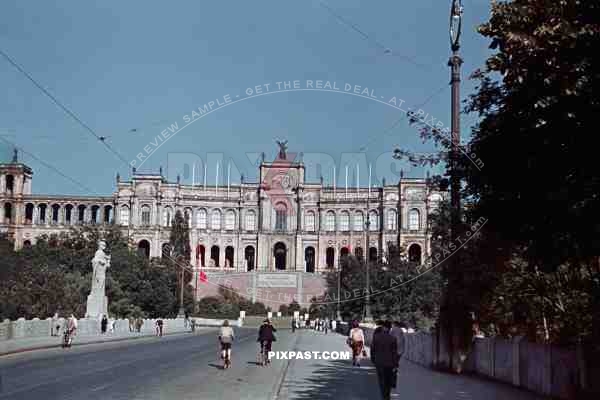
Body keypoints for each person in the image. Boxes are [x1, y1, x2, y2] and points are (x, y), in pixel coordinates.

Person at [371, 320, 399, 400]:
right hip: (389, 363)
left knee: (381, 380)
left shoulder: (376, 337)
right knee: (388, 380)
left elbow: (373, 349)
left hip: (379, 362)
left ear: (383, 327)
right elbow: (394, 353)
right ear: (390, 328)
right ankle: (387, 396)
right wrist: (396, 364)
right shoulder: (393, 339)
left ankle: (384, 396)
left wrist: (373, 359)